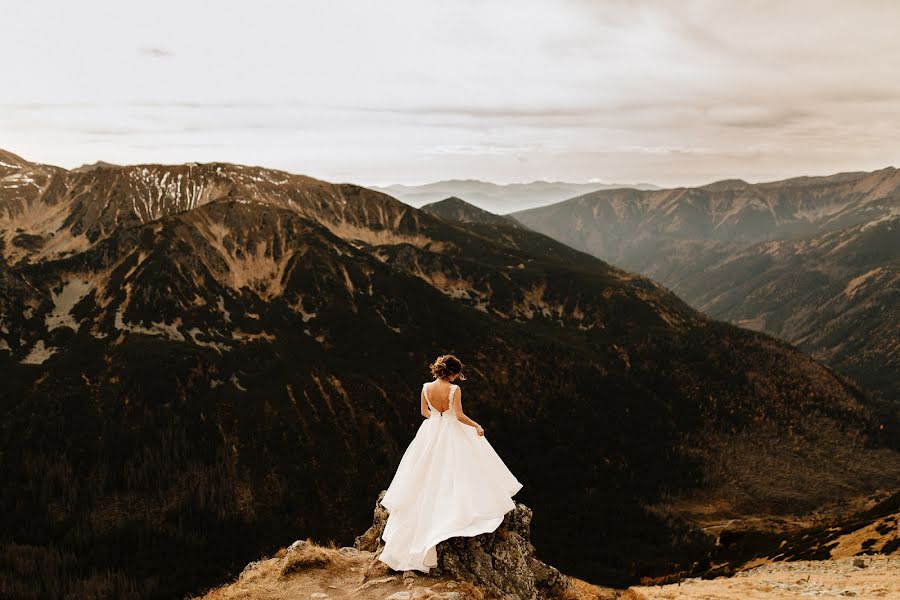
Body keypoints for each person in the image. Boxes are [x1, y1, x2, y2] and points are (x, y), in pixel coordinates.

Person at [378, 354, 523, 572]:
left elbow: (424, 412)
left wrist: (436, 421)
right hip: (449, 429)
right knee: (457, 469)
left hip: (430, 430)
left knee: (422, 472)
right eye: (457, 373)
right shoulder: (454, 390)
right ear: (453, 372)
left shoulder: (426, 387)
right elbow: (459, 415)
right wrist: (476, 425)